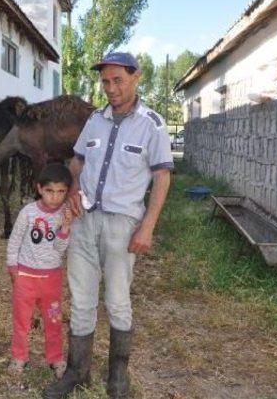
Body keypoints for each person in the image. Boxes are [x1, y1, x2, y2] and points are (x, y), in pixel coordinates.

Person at [43, 52, 173, 399]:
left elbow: (162, 177)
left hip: (122, 225)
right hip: (85, 221)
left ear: (136, 78)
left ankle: (118, 376)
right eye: (105, 81)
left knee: (117, 300)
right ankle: (77, 373)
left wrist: (148, 225)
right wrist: (71, 190)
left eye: (118, 80)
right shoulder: (95, 121)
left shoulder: (152, 125)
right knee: (82, 298)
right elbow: (78, 161)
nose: (111, 88)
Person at [6, 163, 73, 379]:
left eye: (61, 191)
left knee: (53, 320)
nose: (55, 197)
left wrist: (65, 228)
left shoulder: (65, 214)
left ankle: (55, 358)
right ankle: (19, 356)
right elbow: (15, 239)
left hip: (51, 279)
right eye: (50, 191)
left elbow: (61, 248)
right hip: (25, 277)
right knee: (22, 320)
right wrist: (13, 266)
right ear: (39, 188)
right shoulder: (29, 212)